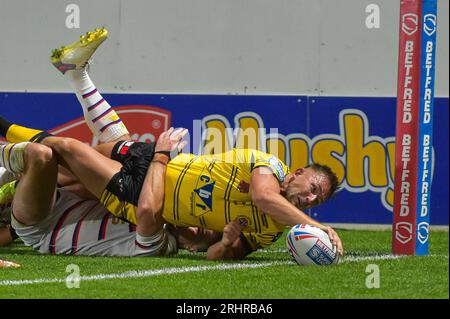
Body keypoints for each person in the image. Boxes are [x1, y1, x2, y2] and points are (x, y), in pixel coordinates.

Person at [0, 28, 344, 259]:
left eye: (319, 200)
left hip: (140, 194)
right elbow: (263, 196)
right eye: (313, 187)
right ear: (296, 172)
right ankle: (76, 73)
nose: (312, 199)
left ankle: (64, 86)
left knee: (63, 153)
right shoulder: (268, 167)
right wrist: (316, 227)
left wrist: (223, 241)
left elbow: (216, 251)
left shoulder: (266, 232)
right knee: (102, 148)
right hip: (157, 166)